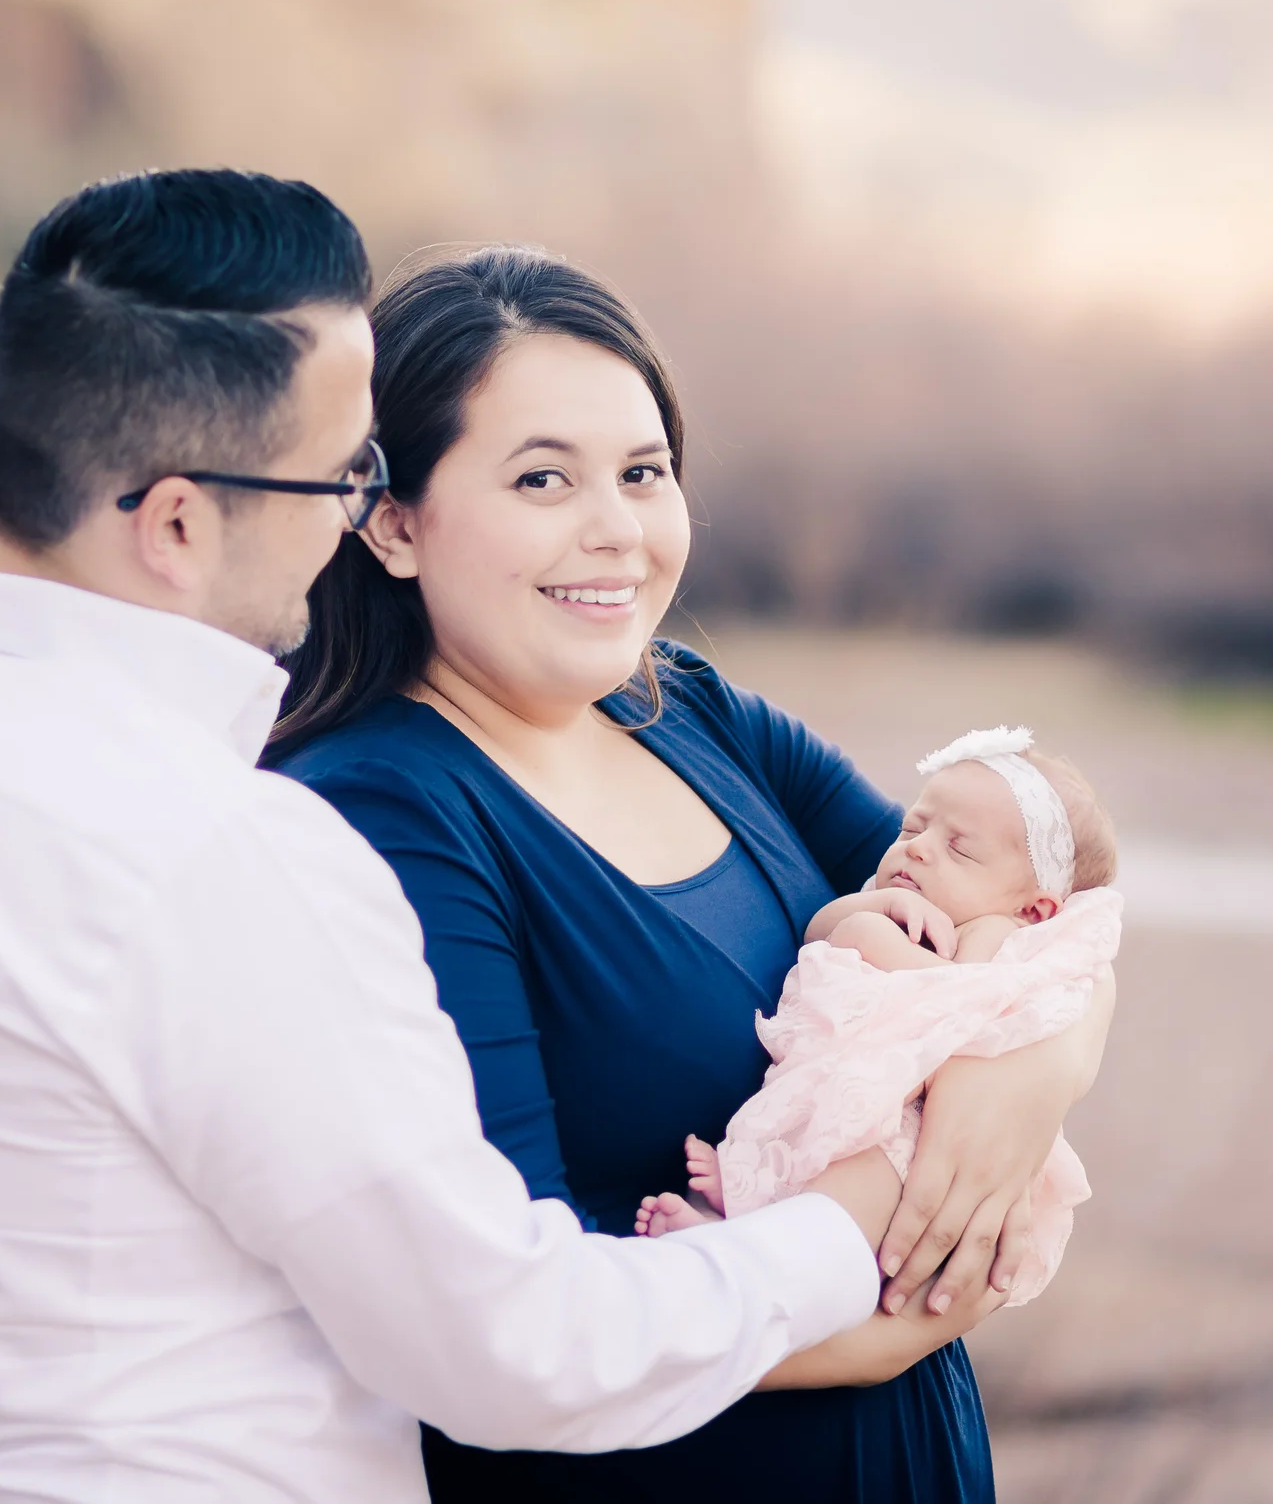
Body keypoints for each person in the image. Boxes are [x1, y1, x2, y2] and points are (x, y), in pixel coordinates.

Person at [0, 170, 900, 1504]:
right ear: (176, 521)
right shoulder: (226, 850)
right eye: (343, 474)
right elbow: (519, 1347)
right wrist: (840, 1230)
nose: (353, 519)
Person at [267, 247, 1118, 1502]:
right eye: (543, 477)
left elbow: (1048, 909)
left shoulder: (689, 711)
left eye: (643, 471)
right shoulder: (378, 813)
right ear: (392, 521)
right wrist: (896, 1318)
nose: (616, 527)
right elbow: (514, 1321)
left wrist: (1029, 1069)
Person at [636, 726, 1124, 1312]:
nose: (918, 848)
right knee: (786, 1134)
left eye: (961, 850)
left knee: (857, 1189)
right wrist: (873, 907)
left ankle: (741, 1256)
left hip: (909, 1120)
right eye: (913, 828)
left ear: (1033, 909)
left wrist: (871, 936)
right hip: (839, 1080)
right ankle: (745, 1197)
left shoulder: (995, 932)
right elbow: (819, 932)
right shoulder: (900, 896)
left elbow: (960, 999)